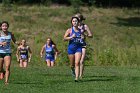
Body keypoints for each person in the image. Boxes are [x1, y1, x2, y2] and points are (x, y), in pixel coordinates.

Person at [64, 16, 83, 82]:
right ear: (72, 22)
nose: (75, 22)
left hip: (78, 48)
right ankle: (72, 69)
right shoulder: (69, 30)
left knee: (77, 63)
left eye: (76, 21)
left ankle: (76, 78)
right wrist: (71, 37)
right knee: (72, 65)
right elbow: (64, 38)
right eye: (73, 21)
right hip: (71, 49)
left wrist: (83, 37)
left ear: (78, 22)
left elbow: (83, 37)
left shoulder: (81, 30)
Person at [75, 13, 93, 78]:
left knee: (82, 60)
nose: (75, 19)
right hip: (75, 45)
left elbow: (91, 35)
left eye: (77, 17)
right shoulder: (74, 26)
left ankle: (81, 75)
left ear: (80, 19)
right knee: (76, 61)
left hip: (83, 45)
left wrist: (85, 35)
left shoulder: (84, 26)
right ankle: (75, 73)